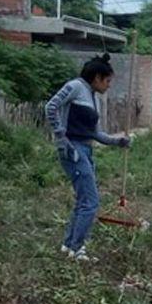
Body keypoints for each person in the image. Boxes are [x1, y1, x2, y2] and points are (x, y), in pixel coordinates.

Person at [46, 54, 131, 262]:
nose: (109, 85)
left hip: (86, 150)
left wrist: (118, 141)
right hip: (72, 150)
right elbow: (51, 107)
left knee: (83, 201)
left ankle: (69, 245)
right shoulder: (75, 86)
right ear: (96, 77)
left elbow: (96, 134)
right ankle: (78, 249)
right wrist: (61, 137)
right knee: (91, 202)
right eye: (107, 80)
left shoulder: (93, 98)